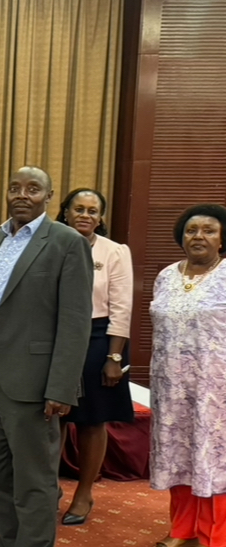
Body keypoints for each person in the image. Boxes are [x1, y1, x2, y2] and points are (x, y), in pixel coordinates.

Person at [0, 167, 93, 547]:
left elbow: (75, 322)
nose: (21, 195)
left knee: (33, 482)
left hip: (33, 383)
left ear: (48, 196)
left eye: (32, 189)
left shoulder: (65, 242)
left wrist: (62, 387)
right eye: (15, 188)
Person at [56, 188, 134, 526]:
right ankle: (46, 487)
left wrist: (114, 357)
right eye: (79, 209)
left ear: (100, 218)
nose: (85, 215)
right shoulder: (49, 243)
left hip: (99, 338)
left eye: (93, 210)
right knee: (51, 414)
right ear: (65, 212)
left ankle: (84, 492)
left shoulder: (114, 252)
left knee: (91, 419)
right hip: (54, 336)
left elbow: (121, 306)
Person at [149, 204, 226, 547]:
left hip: (216, 388)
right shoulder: (166, 275)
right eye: (192, 230)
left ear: (222, 239)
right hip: (171, 387)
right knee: (178, 455)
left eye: (209, 230)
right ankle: (183, 529)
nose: (199, 236)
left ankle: (215, 535)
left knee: (213, 458)